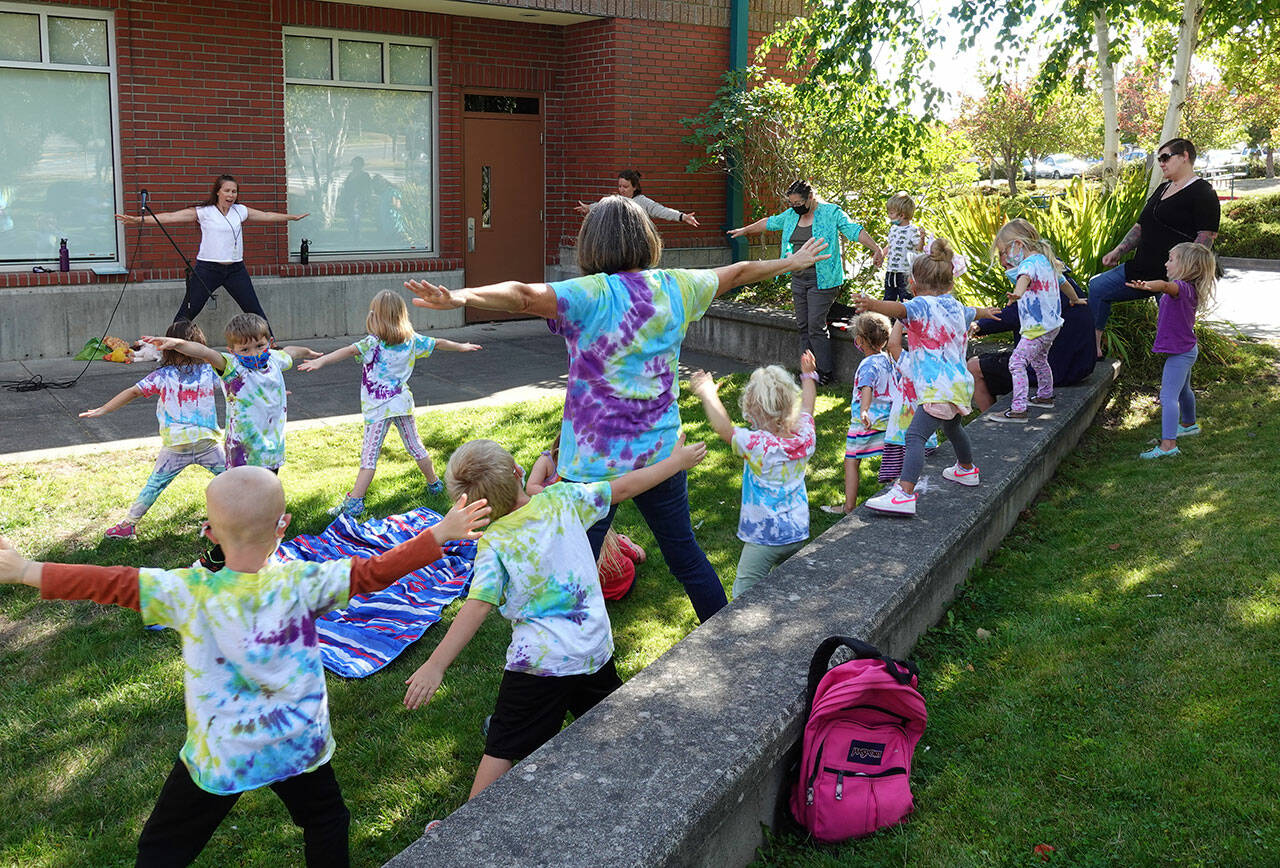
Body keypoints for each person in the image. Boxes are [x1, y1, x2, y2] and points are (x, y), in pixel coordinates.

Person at [0, 466, 490, 866]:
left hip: (224, 751)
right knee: (326, 822)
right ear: (284, 525)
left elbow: (109, 582)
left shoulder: (186, 592)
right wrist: (436, 536)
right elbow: (372, 572)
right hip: (296, 744)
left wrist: (25, 571)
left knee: (161, 850)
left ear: (210, 532)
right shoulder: (305, 583)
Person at [404, 194, 830, 622]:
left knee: (573, 568)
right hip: (661, 455)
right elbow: (738, 272)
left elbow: (522, 296)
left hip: (592, 466)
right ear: (646, 237)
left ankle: (573, 661)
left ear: (592, 244)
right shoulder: (676, 286)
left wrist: (462, 296)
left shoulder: (590, 294)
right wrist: (790, 264)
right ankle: (728, 642)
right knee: (685, 557)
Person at [401, 434, 706, 798]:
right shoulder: (562, 498)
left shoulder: (494, 542)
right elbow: (623, 488)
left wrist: (436, 665)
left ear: (471, 507)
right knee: (615, 728)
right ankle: (654, 790)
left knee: (502, 745)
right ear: (518, 471)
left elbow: (477, 605)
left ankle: (460, 834)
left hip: (540, 666)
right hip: (593, 648)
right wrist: (676, 462)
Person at [298, 290, 482, 517]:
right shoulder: (412, 340)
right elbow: (439, 343)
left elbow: (346, 351)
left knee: (369, 456)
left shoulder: (373, 343)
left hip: (379, 409)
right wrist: (461, 346)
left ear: (376, 317)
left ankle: (355, 502)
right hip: (401, 404)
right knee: (416, 447)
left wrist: (321, 361)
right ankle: (434, 484)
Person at [852, 240, 999, 517]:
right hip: (957, 385)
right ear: (950, 283)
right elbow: (973, 312)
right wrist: (986, 312)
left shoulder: (921, 305)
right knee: (953, 428)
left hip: (936, 388)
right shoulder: (955, 306)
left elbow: (900, 310)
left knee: (915, 436)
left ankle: (904, 493)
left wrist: (873, 304)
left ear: (914, 284)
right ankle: (966, 470)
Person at [79, 320, 225, 540]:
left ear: (167, 348)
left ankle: (128, 525)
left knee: (155, 484)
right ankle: (252, 515)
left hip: (176, 445)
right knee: (232, 478)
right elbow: (238, 386)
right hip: (206, 441)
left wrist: (104, 409)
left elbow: (133, 392)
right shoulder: (210, 372)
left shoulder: (163, 376)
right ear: (200, 345)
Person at [728, 180, 884, 384]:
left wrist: (876, 248)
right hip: (799, 277)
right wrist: (745, 230)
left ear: (810, 198)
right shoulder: (791, 215)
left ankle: (825, 372)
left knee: (815, 325)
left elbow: (854, 230)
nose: (794, 207)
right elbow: (769, 222)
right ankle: (808, 370)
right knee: (803, 325)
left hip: (824, 279)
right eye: (791, 203)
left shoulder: (831, 212)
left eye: (798, 202)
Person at [689, 351, 817, 597]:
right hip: (797, 531)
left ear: (754, 410)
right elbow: (809, 405)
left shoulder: (759, 445)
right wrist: (809, 375)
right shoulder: (805, 437)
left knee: (743, 594)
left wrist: (708, 394)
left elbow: (725, 430)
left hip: (763, 538)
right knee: (788, 588)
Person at [115, 174, 309, 334]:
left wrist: (291, 217)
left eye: (234, 191)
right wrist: (138, 220)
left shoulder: (240, 211)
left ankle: (271, 347)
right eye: (227, 190)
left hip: (236, 270)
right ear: (218, 191)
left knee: (255, 310)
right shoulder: (205, 212)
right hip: (207, 269)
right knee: (187, 312)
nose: (231, 195)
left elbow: (266, 215)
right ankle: (170, 348)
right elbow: (171, 217)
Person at [1089, 138, 1220, 358]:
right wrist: (1118, 251)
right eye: (1159, 159)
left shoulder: (1203, 192)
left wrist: (1184, 279)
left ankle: (1178, 382)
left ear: (1185, 156)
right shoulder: (1162, 188)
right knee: (1098, 287)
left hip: (1172, 279)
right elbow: (1141, 226)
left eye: (1165, 157)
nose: (1161, 163)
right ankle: (1093, 350)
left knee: (1176, 335)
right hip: (1140, 270)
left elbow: (1206, 237)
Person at [147, 313, 317, 472]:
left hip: (271, 449)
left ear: (270, 342)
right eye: (245, 350)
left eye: (259, 346)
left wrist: (308, 352)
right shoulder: (232, 367)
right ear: (232, 351)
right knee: (244, 497)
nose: (254, 353)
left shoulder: (274, 359)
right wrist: (178, 344)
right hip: (242, 452)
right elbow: (206, 353)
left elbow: (291, 351)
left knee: (266, 495)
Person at [986, 219, 1086, 422]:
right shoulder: (1045, 261)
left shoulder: (1028, 264)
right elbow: (1064, 283)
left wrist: (1017, 293)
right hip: (1052, 326)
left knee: (1016, 362)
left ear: (1018, 245)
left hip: (1037, 328)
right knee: (1040, 360)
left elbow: (1023, 278)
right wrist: (1075, 299)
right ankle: (1045, 395)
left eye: (1003, 252)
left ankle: (1019, 409)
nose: (1003, 258)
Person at [1125, 242, 1216, 459]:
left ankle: (1168, 445)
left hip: (1181, 353)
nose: (1166, 263)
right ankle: (1189, 424)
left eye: (1171, 259)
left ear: (1188, 266)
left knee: (1168, 396)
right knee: (1184, 390)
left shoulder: (1181, 288)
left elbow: (1166, 287)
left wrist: (1148, 285)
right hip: (1186, 349)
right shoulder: (1188, 289)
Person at [527, 443, 645, 600]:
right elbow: (640, 556)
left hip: (583, 592)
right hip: (620, 584)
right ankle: (625, 543)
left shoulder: (552, 546)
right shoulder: (601, 532)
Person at [822, 314, 893, 515]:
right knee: (889, 457)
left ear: (861, 340)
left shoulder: (868, 364)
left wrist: (864, 410)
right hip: (887, 421)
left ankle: (849, 506)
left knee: (851, 460)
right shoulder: (888, 360)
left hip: (865, 422)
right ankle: (893, 493)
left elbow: (867, 387)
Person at [574, 169, 700, 227]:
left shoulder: (642, 201)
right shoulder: (616, 200)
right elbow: (600, 206)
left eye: (625, 186)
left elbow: (661, 210)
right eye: (619, 186)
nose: (621, 190)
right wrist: (589, 208)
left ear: (634, 187)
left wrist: (682, 216)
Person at [882, 192, 925, 305]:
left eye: (891, 213)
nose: (889, 215)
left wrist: (922, 238)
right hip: (891, 272)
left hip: (904, 273)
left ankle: (907, 321)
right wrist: (881, 255)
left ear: (902, 215)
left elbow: (919, 248)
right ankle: (887, 320)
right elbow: (890, 246)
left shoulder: (912, 230)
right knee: (888, 298)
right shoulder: (893, 229)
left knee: (906, 299)